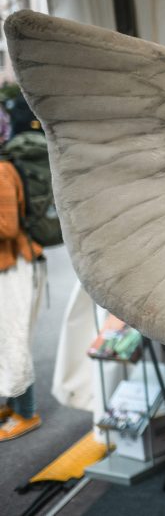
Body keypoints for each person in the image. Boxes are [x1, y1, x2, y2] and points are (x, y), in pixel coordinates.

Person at [0, 105, 45, 442]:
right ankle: (13, 405)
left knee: (14, 339)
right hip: (9, 268)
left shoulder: (2, 171)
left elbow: (7, 227)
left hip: (16, 268)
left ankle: (27, 414)